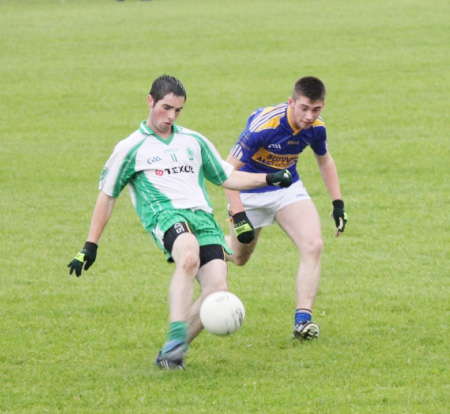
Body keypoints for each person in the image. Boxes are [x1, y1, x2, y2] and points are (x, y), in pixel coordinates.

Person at [68, 75, 292, 370]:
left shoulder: (193, 140)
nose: (170, 116)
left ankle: (172, 352)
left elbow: (225, 176)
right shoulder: (131, 147)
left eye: (178, 110)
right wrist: (90, 244)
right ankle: (176, 333)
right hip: (167, 215)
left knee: (217, 289)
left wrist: (268, 178)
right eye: (166, 108)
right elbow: (107, 196)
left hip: (203, 217)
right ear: (150, 101)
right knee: (187, 257)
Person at [224, 76, 348, 340]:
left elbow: (324, 161)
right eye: (304, 108)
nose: (308, 116)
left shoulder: (316, 128)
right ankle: (200, 247)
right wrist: (239, 214)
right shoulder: (264, 126)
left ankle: (303, 321)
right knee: (239, 257)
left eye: (316, 110)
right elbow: (225, 173)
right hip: (249, 191)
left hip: (286, 188)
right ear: (291, 102)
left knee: (313, 245)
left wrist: (338, 203)